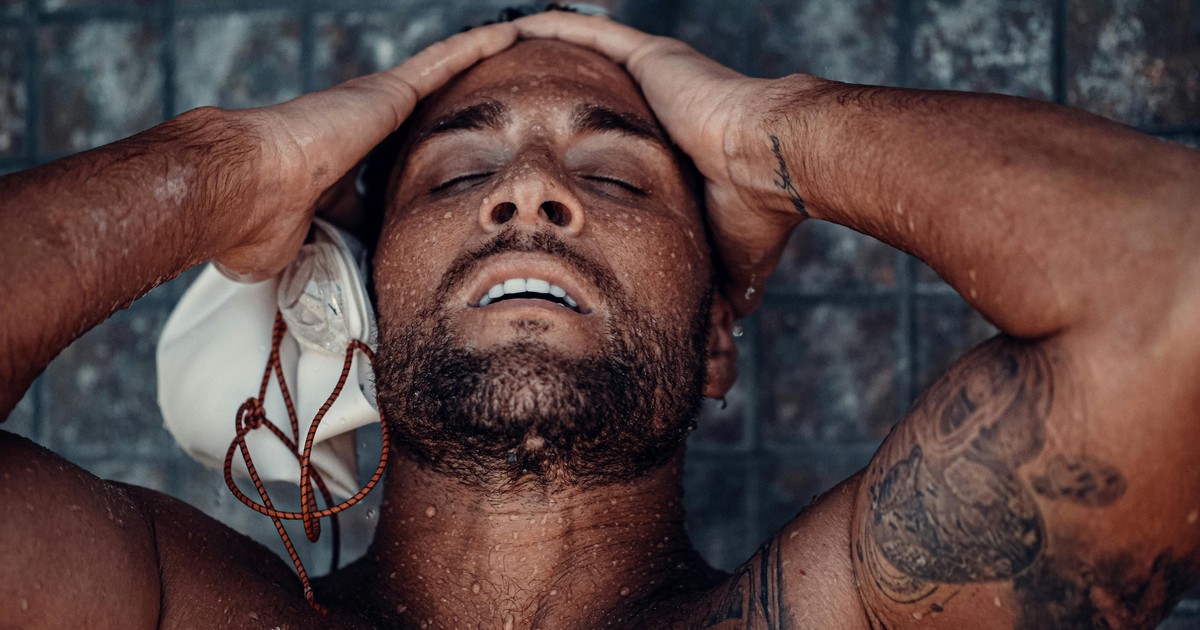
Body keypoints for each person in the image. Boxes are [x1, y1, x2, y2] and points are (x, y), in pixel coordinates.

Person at [1, 8, 1198, 629]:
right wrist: (224, 171)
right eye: (461, 174)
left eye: (618, 177)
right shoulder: (162, 606)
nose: (531, 191)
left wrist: (768, 133)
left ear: (717, 333)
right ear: (358, 310)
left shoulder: (865, 609)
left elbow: (1173, 282)